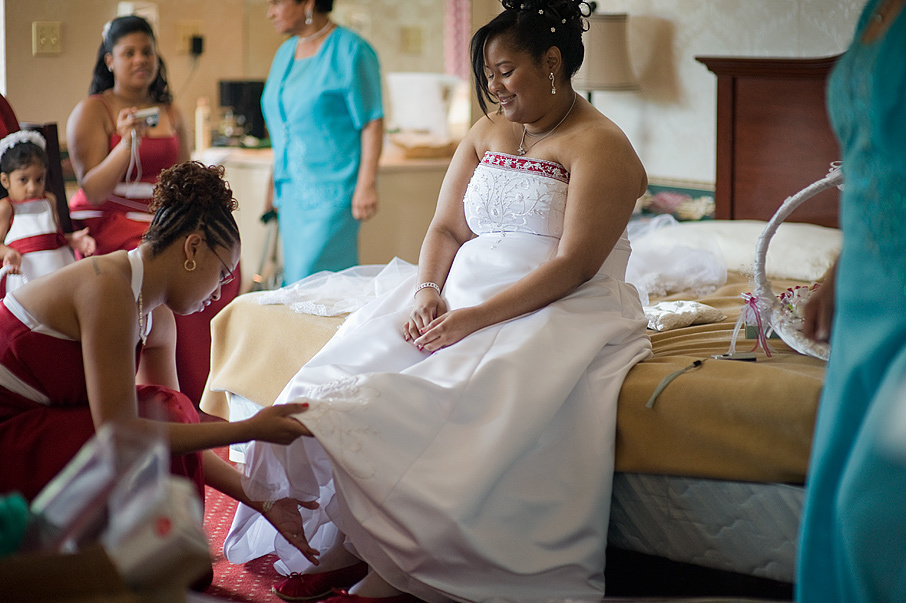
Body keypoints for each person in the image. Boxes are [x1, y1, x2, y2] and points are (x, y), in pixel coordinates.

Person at [224, 1, 652, 601]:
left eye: (505, 71)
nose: (492, 87)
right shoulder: (486, 132)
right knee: (337, 378)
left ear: (552, 62)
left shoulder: (601, 144)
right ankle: (350, 535)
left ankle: (404, 563)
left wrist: (472, 318)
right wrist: (428, 291)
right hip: (455, 293)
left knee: (436, 402)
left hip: (554, 303)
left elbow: (575, 265)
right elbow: (446, 230)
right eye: (486, 73)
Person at [0, 162, 320, 564]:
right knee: (170, 410)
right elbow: (121, 433)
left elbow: (170, 432)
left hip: (38, 421)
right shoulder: (109, 287)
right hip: (8, 428)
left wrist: (263, 499)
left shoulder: (156, 315)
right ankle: (145, 556)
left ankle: (156, 554)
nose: (218, 293)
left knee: (169, 408)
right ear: (193, 248)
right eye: (222, 275)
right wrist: (248, 429)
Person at [66, 15, 239, 405]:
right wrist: (127, 143)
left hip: (163, 218)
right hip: (111, 216)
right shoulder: (93, 111)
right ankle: (173, 393)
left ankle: (210, 390)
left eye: (147, 51)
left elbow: (186, 177)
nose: (141, 59)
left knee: (220, 255)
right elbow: (92, 189)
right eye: (129, 53)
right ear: (110, 60)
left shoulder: (172, 113)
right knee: (173, 263)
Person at [797, 1, 906, 601]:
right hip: (865, 288)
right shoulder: (876, 9)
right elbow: (873, 165)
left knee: (872, 509)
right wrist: (839, 271)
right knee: (837, 504)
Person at [262, 0, 384, 285]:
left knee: (317, 282)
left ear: (308, 3)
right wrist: (273, 182)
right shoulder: (283, 53)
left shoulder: (352, 50)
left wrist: (367, 184)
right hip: (290, 193)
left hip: (333, 194)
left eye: (277, 3)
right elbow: (284, 128)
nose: (271, 13)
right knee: (295, 283)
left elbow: (371, 121)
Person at [0, 130, 96, 297]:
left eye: (39, 179)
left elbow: (53, 237)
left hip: (58, 267)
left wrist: (72, 239)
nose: (32, 188)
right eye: (23, 180)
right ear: (5, 180)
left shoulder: (49, 200)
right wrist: (8, 252)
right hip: (27, 274)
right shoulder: (7, 208)